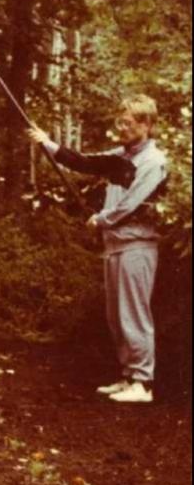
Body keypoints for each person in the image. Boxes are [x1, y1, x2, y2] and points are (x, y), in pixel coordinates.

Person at [28, 95, 167, 404]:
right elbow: (84, 162)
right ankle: (129, 376)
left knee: (133, 313)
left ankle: (143, 383)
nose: (122, 128)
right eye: (120, 122)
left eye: (128, 123)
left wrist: (101, 220)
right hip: (116, 245)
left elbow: (131, 205)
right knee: (116, 314)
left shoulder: (153, 162)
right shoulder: (120, 155)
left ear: (146, 125)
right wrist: (47, 143)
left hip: (137, 245)